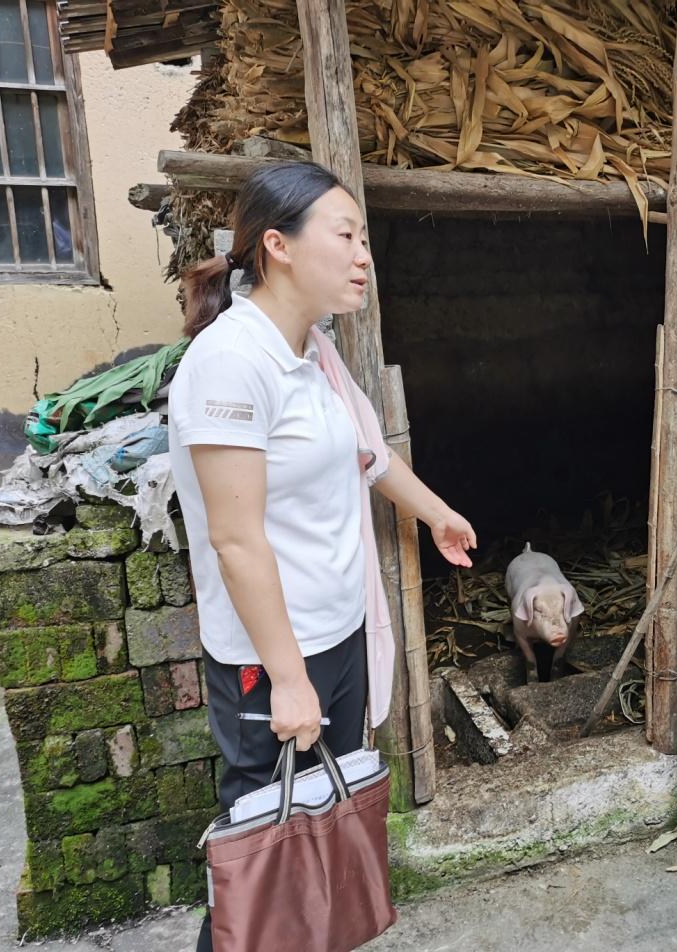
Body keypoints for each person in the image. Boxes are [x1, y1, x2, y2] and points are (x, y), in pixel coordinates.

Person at [168, 161, 477, 952]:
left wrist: (438, 514)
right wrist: (289, 678)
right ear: (276, 245)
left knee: (322, 837)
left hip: (336, 637)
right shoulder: (231, 362)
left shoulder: (315, 353)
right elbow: (235, 540)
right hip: (276, 656)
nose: (362, 255)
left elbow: (369, 457)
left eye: (363, 238)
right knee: (264, 846)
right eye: (345, 236)